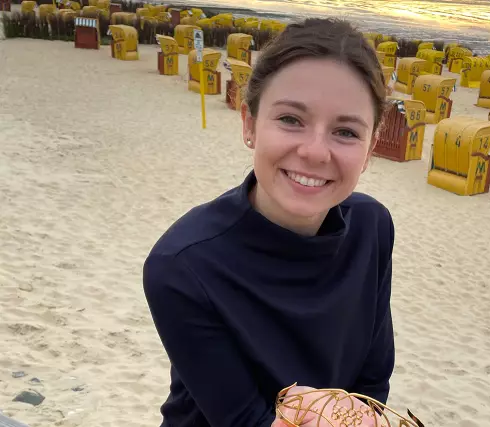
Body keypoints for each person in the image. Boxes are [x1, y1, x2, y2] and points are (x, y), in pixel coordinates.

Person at [143, 17, 395, 427]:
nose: (315, 152)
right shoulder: (183, 264)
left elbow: (371, 386)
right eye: (291, 120)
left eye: (346, 131)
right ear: (249, 124)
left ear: (369, 150)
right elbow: (244, 420)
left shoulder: (373, 228)